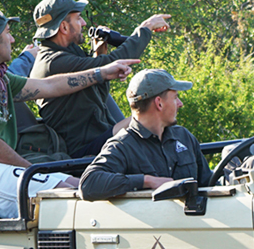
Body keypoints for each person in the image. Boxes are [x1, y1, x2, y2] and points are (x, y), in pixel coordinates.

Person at [0, 7, 137, 218]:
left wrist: (102, 72)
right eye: (7, 32)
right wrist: (33, 170)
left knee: (80, 183)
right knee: (69, 193)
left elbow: (48, 87)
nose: (13, 39)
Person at [30, 0, 170, 158]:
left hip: (97, 139)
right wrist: (146, 28)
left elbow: (97, 98)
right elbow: (117, 60)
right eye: (78, 18)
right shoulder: (54, 62)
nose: (83, 23)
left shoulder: (63, 55)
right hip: (83, 150)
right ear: (64, 27)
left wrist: (99, 56)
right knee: (154, 113)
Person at [79, 69, 211, 202]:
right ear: (159, 103)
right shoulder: (123, 145)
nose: (180, 104)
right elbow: (88, 185)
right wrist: (147, 181)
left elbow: (209, 183)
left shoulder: (183, 136)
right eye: (175, 97)